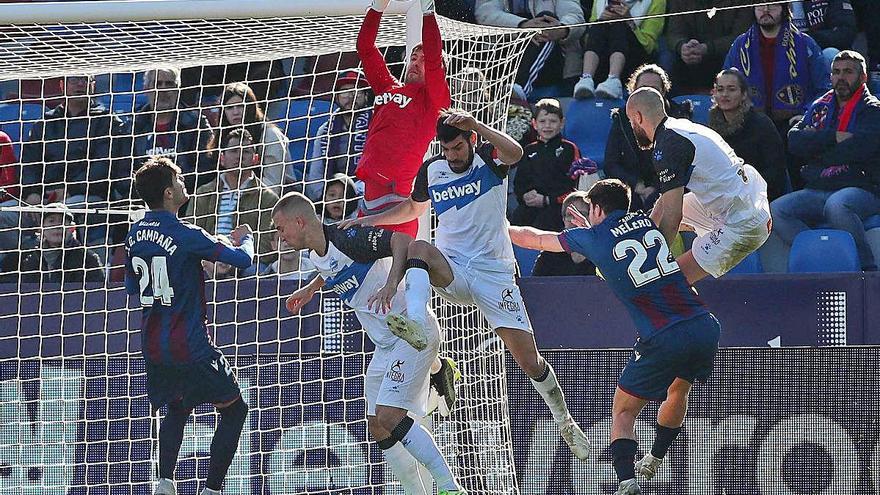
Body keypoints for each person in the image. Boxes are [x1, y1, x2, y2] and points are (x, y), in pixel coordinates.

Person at [341, 109, 591, 461]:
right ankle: (418, 326)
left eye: (458, 147)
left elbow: (516, 154)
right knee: (419, 248)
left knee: (529, 361)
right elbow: (413, 209)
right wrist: (367, 220)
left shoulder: (490, 158)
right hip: (453, 268)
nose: (452, 155)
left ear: (471, 141)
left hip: (493, 273)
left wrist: (476, 125)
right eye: (447, 149)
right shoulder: (433, 169)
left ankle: (564, 421)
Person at [508, 178, 720, 495]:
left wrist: (497, 227)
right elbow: (665, 209)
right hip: (704, 324)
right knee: (678, 389)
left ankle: (626, 482)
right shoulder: (647, 224)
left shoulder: (594, 237)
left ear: (596, 208)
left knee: (622, 411)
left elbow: (536, 240)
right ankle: (655, 457)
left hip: (663, 334)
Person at [271, 191, 463, 495]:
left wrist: (390, 284)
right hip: (386, 344)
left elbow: (402, 241)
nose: (280, 236)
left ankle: (449, 486)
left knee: (390, 415)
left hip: (412, 333)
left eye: (281, 228)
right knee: (377, 424)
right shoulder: (314, 255)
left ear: (299, 221)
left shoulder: (348, 238)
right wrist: (310, 289)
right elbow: (329, 269)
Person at [124, 157, 255, 495]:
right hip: (191, 344)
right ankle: (212, 489)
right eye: (180, 178)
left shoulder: (135, 234)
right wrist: (247, 238)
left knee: (178, 406)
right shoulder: (186, 234)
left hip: (153, 345)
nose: (185, 182)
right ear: (169, 193)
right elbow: (243, 261)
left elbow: (132, 287)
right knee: (235, 409)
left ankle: (164, 481)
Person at [626, 87, 771, 283]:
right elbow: (666, 202)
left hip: (742, 223)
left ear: (638, 117)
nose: (632, 127)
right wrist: (646, 235)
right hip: (746, 202)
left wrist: (648, 261)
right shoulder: (681, 128)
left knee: (666, 285)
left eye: (631, 121)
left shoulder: (668, 146)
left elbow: (673, 216)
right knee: (673, 210)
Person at [774, 50, 880, 271]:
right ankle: (821, 253)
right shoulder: (820, 106)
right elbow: (794, 141)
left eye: (848, 72)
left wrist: (815, 147)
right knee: (777, 210)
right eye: (836, 72)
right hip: (820, 187)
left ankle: (866, 270)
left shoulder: (873, 110)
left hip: (862, 188)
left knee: (837, 206)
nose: (841, 77)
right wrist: (833, 137)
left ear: (863, 78)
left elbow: (857, 151)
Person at [355, 0, 451, 238]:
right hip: (367, 204)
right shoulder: (387, 87)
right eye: (413, 57)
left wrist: (428, 11)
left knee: (400, 274)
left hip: (397, 205)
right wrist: (378, 7)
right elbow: (365, 48)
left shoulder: (434, 102)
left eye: (424, 60)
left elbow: (434, 55)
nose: (416, 62)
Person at [723, 3, 830, 132]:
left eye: (772, 4)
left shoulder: (805, 44)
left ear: (784, 8)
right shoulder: (741, 45)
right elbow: (726, 84)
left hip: (794, 123)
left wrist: (805, 115)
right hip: (749, 123)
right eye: (760, 4)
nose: (765, 9)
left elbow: (824, 89)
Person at [187, 129, 279, 270]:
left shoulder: (268, 199)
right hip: (208, 262)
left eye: (246, 152)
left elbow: (268, 246)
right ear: (222, 158)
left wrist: (233, 258)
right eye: (234, 151)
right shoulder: (203, 193)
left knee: (255, 270)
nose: (240, 156)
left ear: (255, 159)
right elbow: (190, 235)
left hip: (244, 264)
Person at [604, 64, 692, 211]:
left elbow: (684, 163)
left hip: (670, 185)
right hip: (633, 187)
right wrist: (636, 185)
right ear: (633, 90)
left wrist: (655, 188)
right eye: (643, 88)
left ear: (663, 92)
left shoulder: (679, 116)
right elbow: (611, 163)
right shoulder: (621, 118)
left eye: (655, 89)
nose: (648, 92)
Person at [475, 0, 585, 98]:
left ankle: (521, 89)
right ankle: (517, 89)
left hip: (551, 60)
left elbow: (575, 16)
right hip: (506, 53)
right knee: (538, 28)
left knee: (546, 20)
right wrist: (522, 25)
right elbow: (485, 14)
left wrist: (562, 29)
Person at [708, 68, 787, 200]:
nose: (724, 94)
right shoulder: (711, 128)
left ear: (744, 94)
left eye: (731, 89)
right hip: (720, 197)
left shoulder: (761, 124)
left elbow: (775, 172)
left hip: (757, 196)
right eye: (720, 89)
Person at [574, 0, 667, 100]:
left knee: (619, 26)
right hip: (602, 59)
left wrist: (629, 21)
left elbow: (649, 46)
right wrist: (602, 19)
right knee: (599, 24)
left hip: (635, 60)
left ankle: (614, 79)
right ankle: (586, 78)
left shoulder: (657, 2)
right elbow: (588, 38)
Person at [510, 98, 579, 231]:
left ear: (562, 123)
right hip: (530, 206)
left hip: (557, 207)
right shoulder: (528, 150)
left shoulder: (569, 149)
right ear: (534, 124)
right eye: (542, 121)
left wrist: (547, 200)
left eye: (553, 121)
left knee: (545, 224)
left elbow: (574, 185)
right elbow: (519, 183)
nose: (547, 126)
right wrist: (524, 196)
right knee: (514, 226)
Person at [305, 70, 373, 201]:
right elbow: (316, 174)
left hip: (368, 196)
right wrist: (327, 198)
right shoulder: (325, 130)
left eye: (357, 91)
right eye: (345, 91)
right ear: (336, 96)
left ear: (366, 96)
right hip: (331, 199)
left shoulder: (377, 124)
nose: (351, 96)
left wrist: (357, 193)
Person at [213, 82, 292, 195]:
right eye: (229, 107)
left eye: (240, 106)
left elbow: (273, 185)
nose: (235, 112)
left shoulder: (269, 135)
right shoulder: (221, 136)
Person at [664, 0, 754, 94]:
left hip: (724, 51)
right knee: (667, 59)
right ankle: (672, 103)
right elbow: (673, 32)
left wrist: (707, 48)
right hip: (689, 52)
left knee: (737, 57)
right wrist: (682, 46)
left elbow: (741, 35)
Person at [0, 203, 104, 284]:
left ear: (72, 228)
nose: (57, 226)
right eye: (51, 221)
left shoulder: (88, 259)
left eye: (63, 221)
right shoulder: (31, 260)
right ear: (41, 229)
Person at [531, 191, 597, 276]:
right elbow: (536, 285)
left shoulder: (602, 253)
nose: (574, 221)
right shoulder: (550, 253)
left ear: (592, 218)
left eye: (581, 214)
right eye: (570, 215)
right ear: (563, 219)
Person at [790, 0, 857, 70]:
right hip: (788, 53)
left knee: (830, 54)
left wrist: (809, 40)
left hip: (820, 52)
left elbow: (845, 33)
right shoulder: (780, 5)